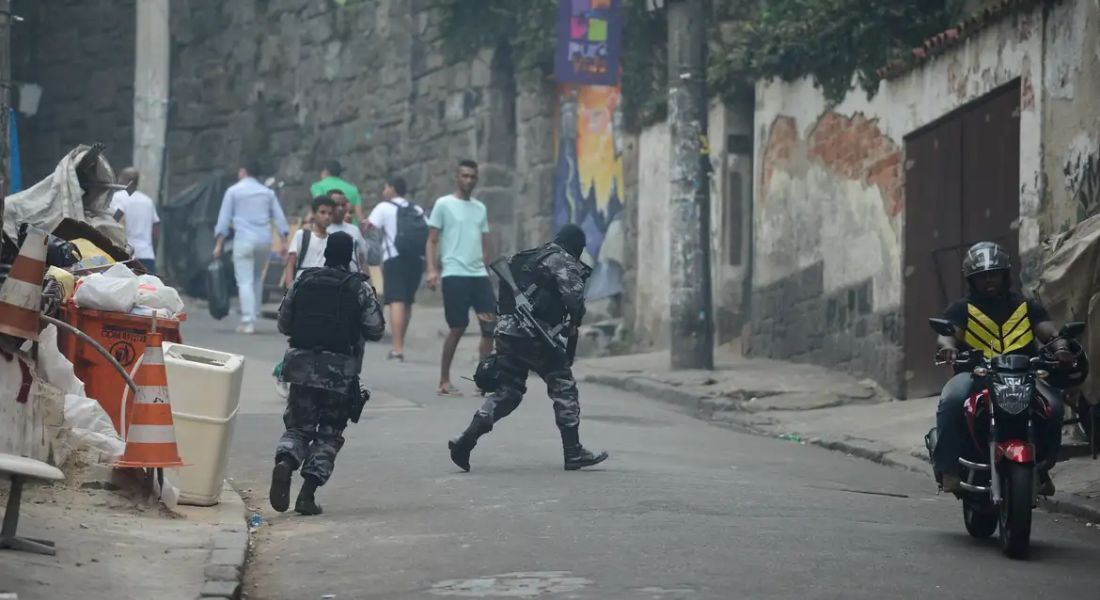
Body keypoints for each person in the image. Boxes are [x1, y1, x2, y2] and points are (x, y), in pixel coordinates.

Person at [447, 224, 608, 472]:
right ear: (576, 245)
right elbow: (574, 299)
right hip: (536, 335)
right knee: (563, 386)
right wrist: (573, 319)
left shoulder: (530, 256)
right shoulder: (561, 260)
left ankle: (466, 440)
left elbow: (503, 292)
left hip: (508, 332)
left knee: (508, 391)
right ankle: (573, 450)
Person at [934, 241, 1078, 496]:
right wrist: (948, 348)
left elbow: (1050, 332)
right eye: (982, 276)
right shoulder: (961, 309)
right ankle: (948, 469)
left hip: (1025, 374)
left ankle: (1043, 466)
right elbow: (947, 334)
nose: (989, 280)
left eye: (995, 274)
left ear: (1005, 275)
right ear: (972, 279)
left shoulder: (1025, 306)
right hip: (976, 374)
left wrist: (1061, 349)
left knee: (1054, 406)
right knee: (952, 399)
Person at [270, 231, 385, 515]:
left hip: (300, 367)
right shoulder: (358, 288)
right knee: (329, 433)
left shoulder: (303, 279)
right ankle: (306, 495)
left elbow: (284, 323)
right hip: (339, 373)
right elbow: (376, 328)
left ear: (325, 254)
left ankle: (285, 462)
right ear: (349, 258)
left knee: (298, 427)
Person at [426, 160, 496, 395]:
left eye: (472, 177)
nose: (468, 180)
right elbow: (432, 239)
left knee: (489, 326)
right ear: (457, 178)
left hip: (478, 276)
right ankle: (444, 380)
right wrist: (432, 270)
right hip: (454, 274)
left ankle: (483, 379)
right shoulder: (443, 204)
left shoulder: (480, 208)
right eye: (464, 176)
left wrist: (484, 264)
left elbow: (486, 240)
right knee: (457, 327)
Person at [214, 160, 290, 335]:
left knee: (245, 280)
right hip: (264, 241)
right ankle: (254, 313)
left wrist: (218, 244)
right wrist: (284, 242)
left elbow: (224, 220)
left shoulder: (233, 191)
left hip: (244, 240)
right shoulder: (267, 193)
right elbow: (279, 218)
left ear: (243, 172)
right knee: (256, 277)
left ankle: (248, 320)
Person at [367, 176, 427, 361]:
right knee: (407, 301)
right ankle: (400, 341)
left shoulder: (384, 207)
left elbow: (369, 227)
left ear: (392, 189)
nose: (384, 191)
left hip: (395, 258)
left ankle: (397, 348)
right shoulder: (416, 209)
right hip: (417, 259)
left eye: (385, 187)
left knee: (396, 301)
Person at [109, 167, 161, 274]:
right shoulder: (147, 201)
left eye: (121, 178)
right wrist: (152, 249)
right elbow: (156, 230)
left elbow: (114, 221)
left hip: (126, 256)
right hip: (147, 255)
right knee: (149, 288)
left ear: (126, 180)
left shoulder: (118, 198)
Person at [284, 195, 335, 287]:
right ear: (314, 214)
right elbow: (290, 264)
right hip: (302, 286)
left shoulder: (333, 240)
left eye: (330, 213)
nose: (327, 217)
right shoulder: (302, 235)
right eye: (322, 212)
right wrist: (289, 290)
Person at [326, 189, 370, 274]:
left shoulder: (354, 230)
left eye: (343, 205)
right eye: (336, 205)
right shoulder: (322, 230)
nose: (340, 208)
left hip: (352, 280)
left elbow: (362, 258)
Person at [310, 160, 364, 228]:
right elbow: (360, 217)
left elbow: (319, 205)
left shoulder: (318, 186)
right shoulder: (353, 189)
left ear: (325, 171)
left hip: (330, 228)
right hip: (351, 229)